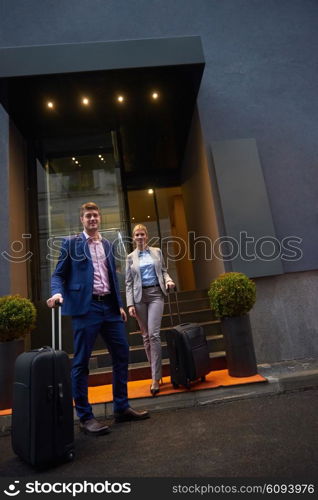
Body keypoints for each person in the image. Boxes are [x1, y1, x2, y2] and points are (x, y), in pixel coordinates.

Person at [47, 202, 149, 436]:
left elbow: (112, 277)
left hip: (110, 308)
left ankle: (121, 408)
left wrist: (120, 306)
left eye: (95, 215)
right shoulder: (71, 244)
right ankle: (85, 417)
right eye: (88, 216)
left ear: (100, 218)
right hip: (86, 308)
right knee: (82, 361)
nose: (92, 219)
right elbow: (58, 275)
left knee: (122, 353)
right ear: (82, 220)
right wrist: (56, 292)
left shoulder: (108, 245)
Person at [125, 224, 175, 396]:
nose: (139, 237)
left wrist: (168, 280)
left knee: (154, 335)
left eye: (142, 234)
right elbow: (129, 282)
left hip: (155, 294)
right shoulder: (130, 257)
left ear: (147, 236)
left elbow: (163, 271)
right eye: (137, 235)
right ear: (133, 237)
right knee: (146, 337)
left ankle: (155, 378)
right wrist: (130, 304)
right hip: (139, 298)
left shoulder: (156, 252)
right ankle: (156, 373)